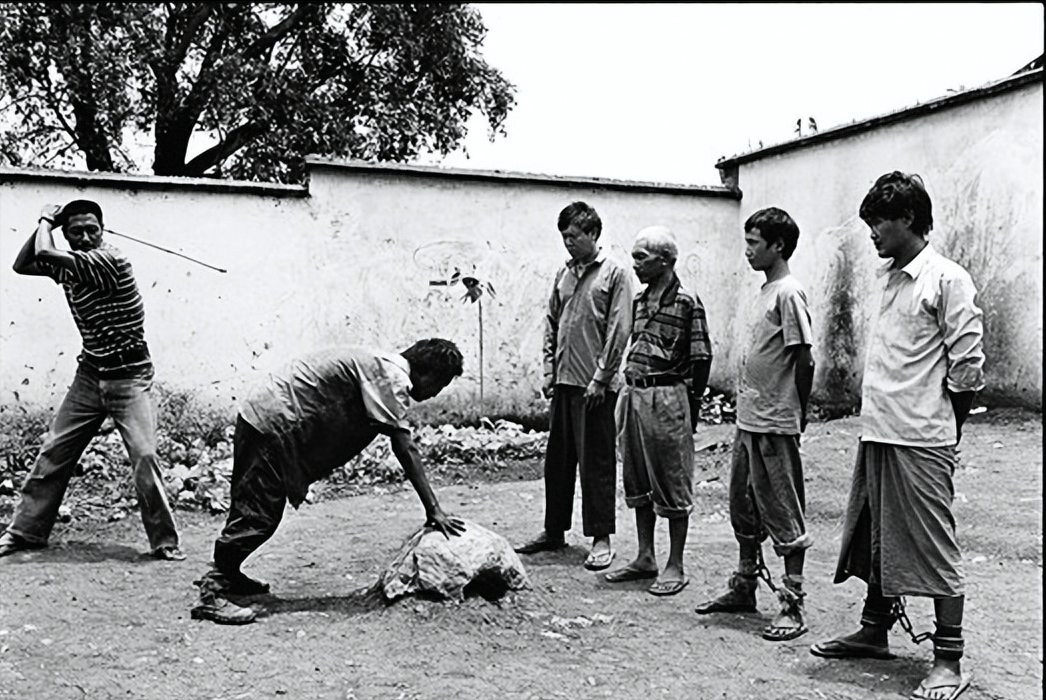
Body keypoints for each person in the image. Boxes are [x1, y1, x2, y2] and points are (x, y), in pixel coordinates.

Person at [810, 172, 984, 700]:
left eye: (879, 222)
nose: (873, 234)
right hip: (879, 433)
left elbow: (968, 368)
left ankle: (949, 659)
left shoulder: (947, 279)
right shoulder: (890, 278)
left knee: (933, 547)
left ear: (908, 218)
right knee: (875, 536)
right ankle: (874, 630)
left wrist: (943, 423)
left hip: (922, 438)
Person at [191, 339, 467, 624]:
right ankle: (214, 591)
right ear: (429, 374)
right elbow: (405, 448)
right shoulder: (392, 379)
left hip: (264, 417)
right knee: (258, 516)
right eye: (441, 386)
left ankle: (229, 574)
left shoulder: (379, 365)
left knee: (254, 505)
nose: (435, 394)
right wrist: (433, 509)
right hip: (272, 424)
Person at [1, 201, 184, 561]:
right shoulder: (68, 266)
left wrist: (45, 220)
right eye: (76, 232)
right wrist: (48, 226)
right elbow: (23, 264)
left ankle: (165, 541)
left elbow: (42, 250)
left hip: (130, 376)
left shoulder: (109, 261)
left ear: (104, 230)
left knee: (144, 456)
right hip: (90, 374)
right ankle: (25, 533)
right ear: (66, 236)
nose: (85, 237)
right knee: (54, 452)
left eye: (92, 230)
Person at [694, 207, 815, 640]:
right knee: (744, 504)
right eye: (746, 242)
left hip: (775, 421)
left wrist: (794, 412)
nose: (747, 251)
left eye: (754, 243)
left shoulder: (789, 293)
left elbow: (804, 358)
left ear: (778, 246)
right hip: (748, 419)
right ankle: (745, 584)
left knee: (783, 508)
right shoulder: (765, 291)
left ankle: (791, 602)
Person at [514, 202, 633, 571]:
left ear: (593, 234)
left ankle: (601, 538)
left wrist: (602, 377)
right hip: (564, 383)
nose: (568, 243)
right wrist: (549, 372)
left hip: (595, 386)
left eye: (574, 236)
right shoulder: (563, 275)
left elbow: (619, 330)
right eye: (564, 237)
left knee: (596, 462)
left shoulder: (615, 275)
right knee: (558, 462)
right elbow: (552, 323)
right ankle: (554, 531)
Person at [604, 226, 712, 596]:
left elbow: (701, 358)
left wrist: (691, 406)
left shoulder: (686, 302)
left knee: (671, 479)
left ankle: (675, 564)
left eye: (641, 257)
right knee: (638, 477)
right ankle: (645, 556)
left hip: (668, 396)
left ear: (665, 260)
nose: (635, 265)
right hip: (634, 395)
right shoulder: (639, 300)